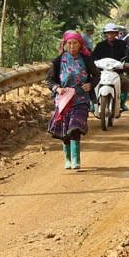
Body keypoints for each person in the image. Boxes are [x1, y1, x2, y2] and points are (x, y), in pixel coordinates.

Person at [47, 30, 94, 169]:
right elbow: (49, 80)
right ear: (65, 44)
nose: (72, 46)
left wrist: (90, 85)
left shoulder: (86, 60)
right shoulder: (58, 61)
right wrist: (57, 88)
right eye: (69, 43)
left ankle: (76, 160)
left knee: (75, 127)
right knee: (65, 130)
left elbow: (96, 75)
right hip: (64, 100)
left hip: (81, 99)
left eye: (75, 43)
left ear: (80, 45)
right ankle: (67, 159)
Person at [91, 23, 129, 114]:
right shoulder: (100, 45)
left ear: (116, 34)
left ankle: (122, 102)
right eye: (108, 33)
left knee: (126, 81)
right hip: (102, 72)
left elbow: (127, 56)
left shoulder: (122, 44)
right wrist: (91, 63)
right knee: (91, 81)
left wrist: (127, 63)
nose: (110, 35)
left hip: (117, 72)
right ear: (105, 34)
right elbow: (93, 56)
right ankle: (93, 102)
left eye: (112, 33)